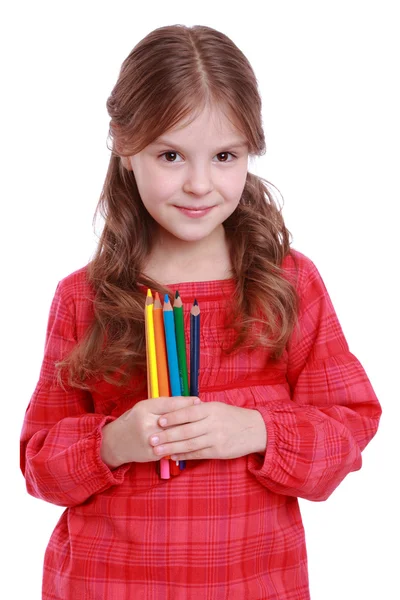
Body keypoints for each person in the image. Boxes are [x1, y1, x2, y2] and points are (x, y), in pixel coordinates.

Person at [20, 24, 382, 600]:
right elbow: (39, 466)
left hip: (255, 584)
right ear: (125, 150)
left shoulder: (288, 282)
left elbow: (349, 431)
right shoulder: (83, 297)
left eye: (224, 156)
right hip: (107, 583)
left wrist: (258, 429)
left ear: (249, 152)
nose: (199, 184)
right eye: (170, 155)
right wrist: (113, 442)